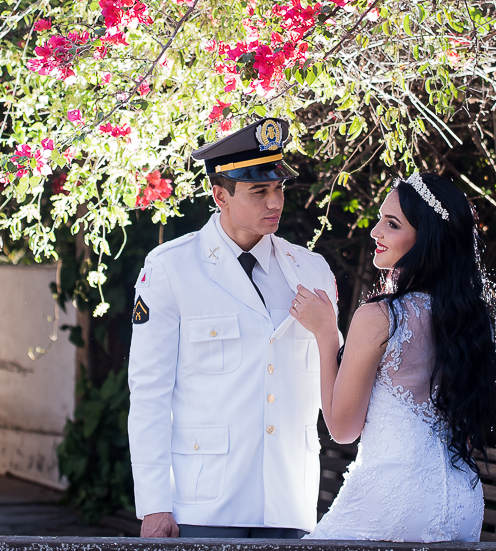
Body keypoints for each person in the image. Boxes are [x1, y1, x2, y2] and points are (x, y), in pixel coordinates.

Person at [127, 118, 338, 538]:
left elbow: (332, 382)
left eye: (278, 188)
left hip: (290, 501)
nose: (274, 201)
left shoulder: (311, 270)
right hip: (205, 504)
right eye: (259, 191)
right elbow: (150, 392)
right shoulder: (171, 268)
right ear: (219, 195)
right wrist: (154, 505)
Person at [291, 171, 496, 541]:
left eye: (391, 224)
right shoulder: (472, 320)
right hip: (462, 506)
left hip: (394, 500)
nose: (375, 233)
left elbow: (342, 428)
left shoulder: (380, 317)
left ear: (427, 239)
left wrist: (326, 335)